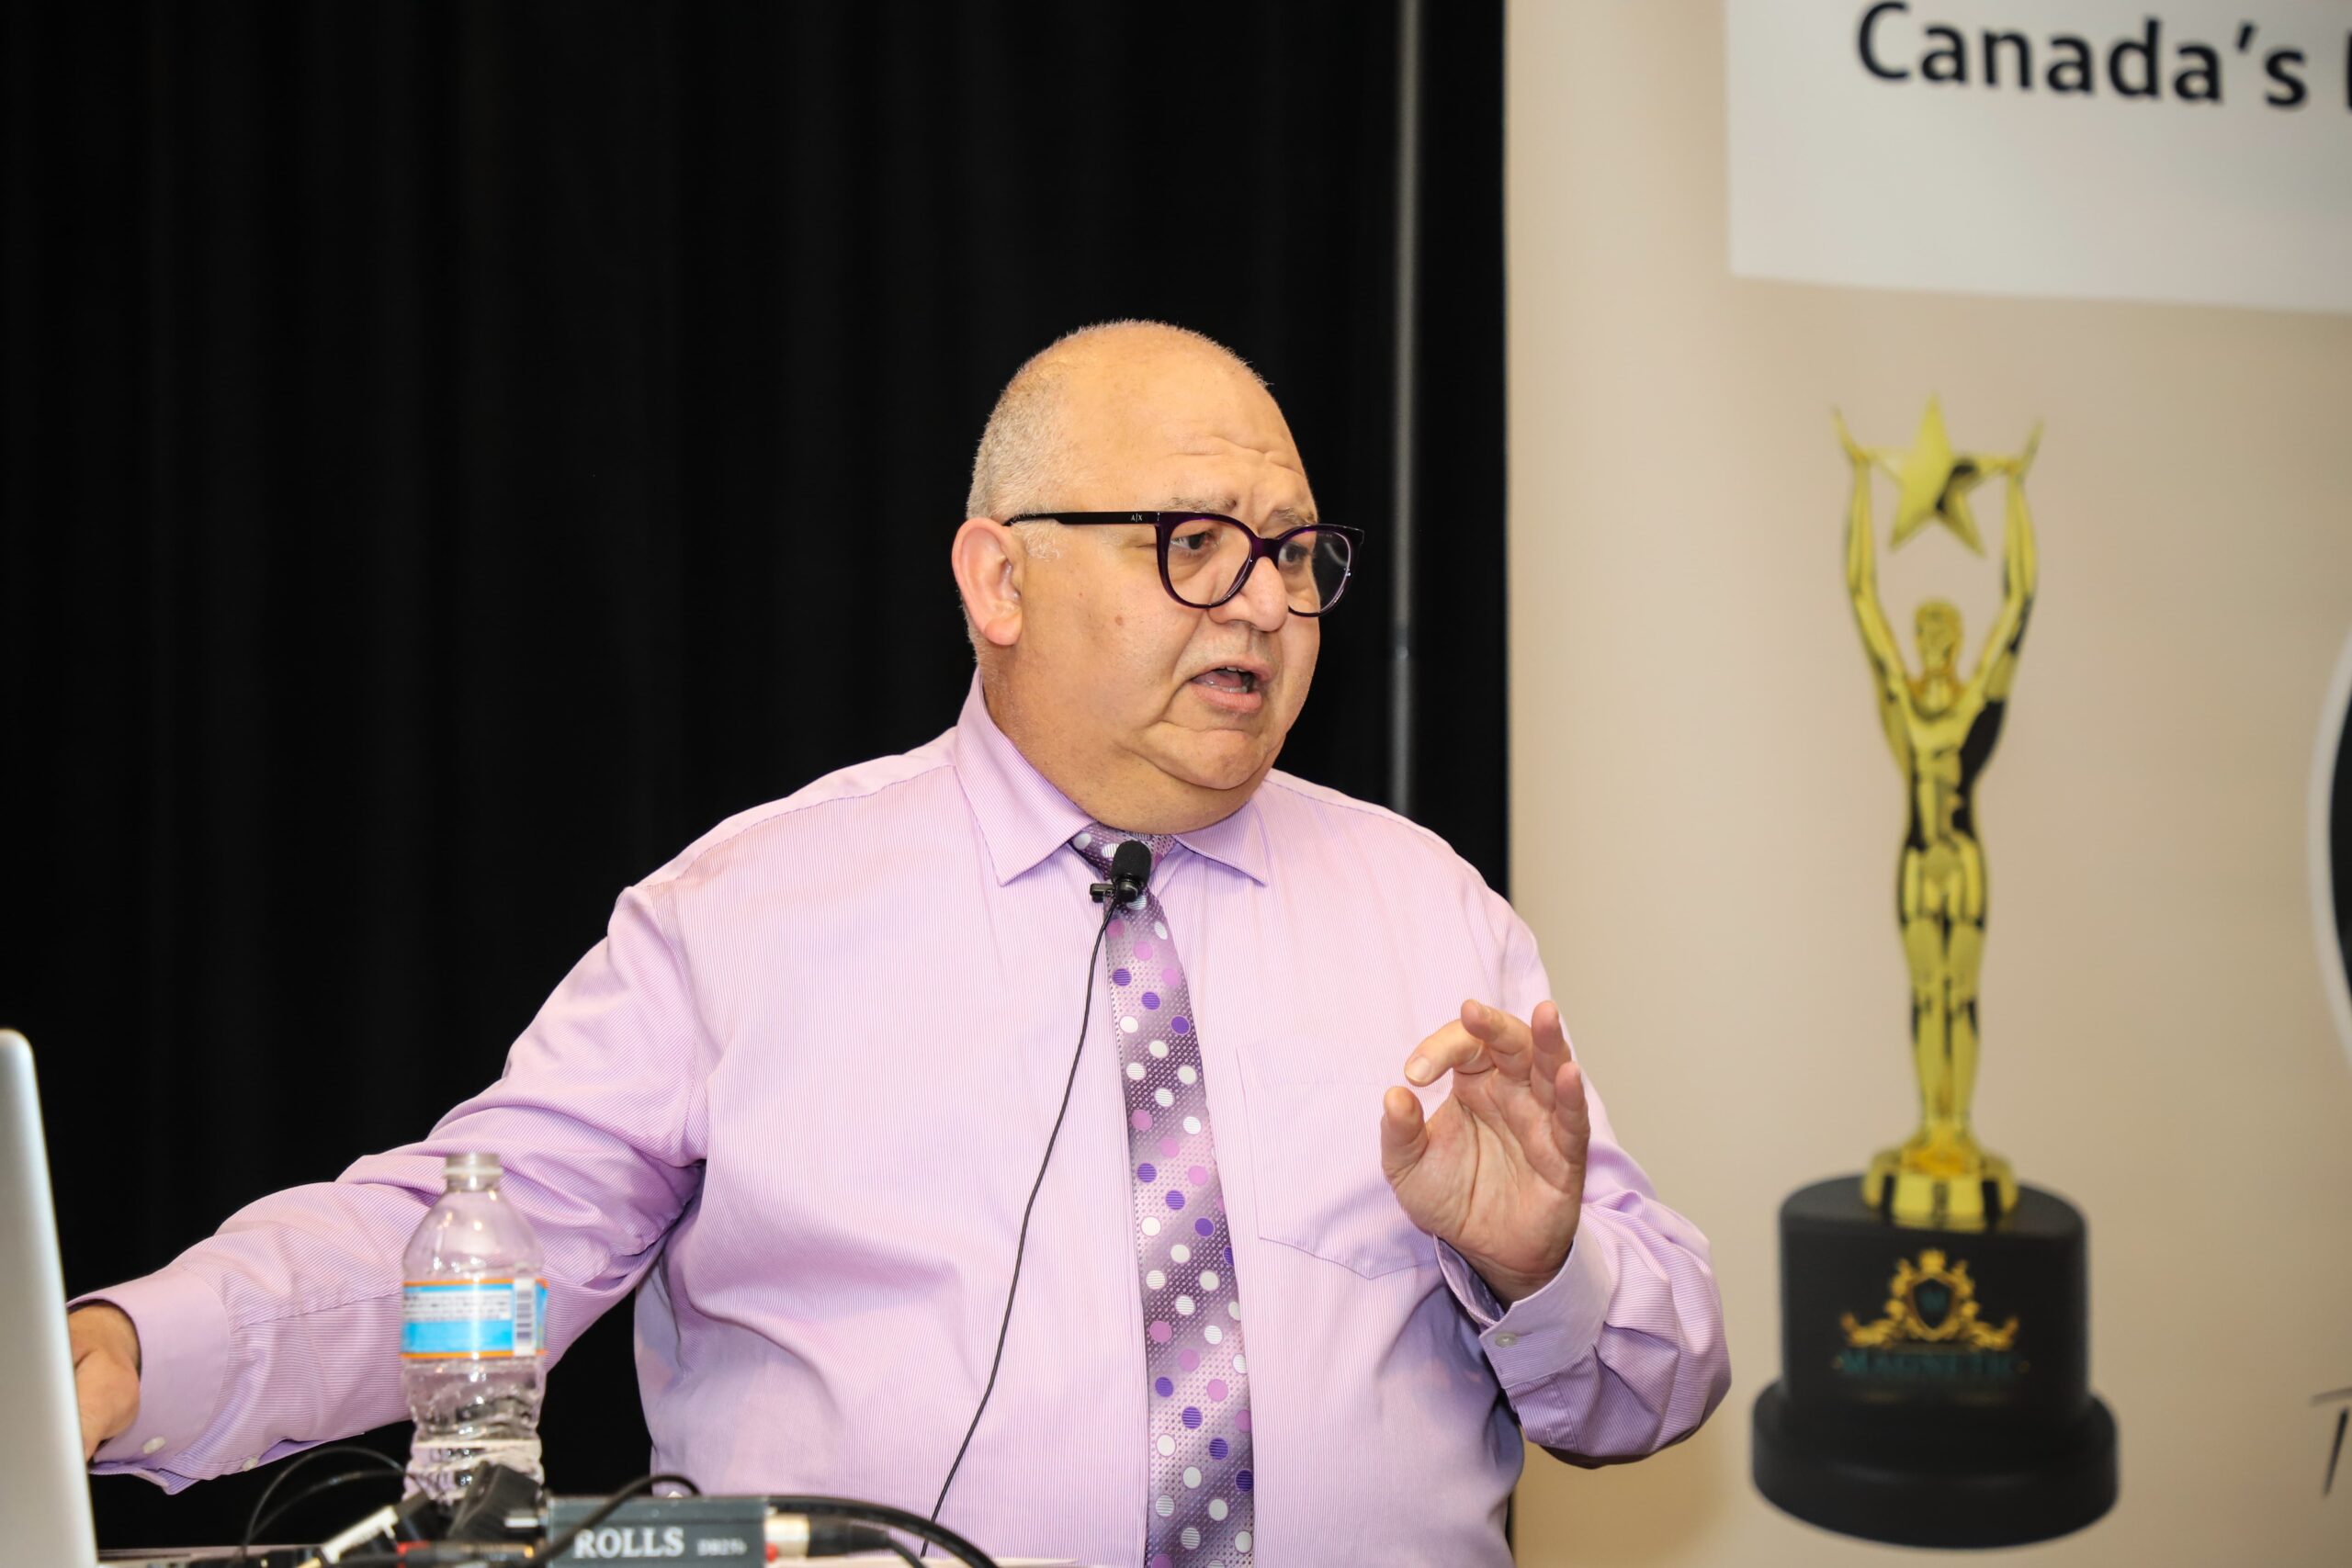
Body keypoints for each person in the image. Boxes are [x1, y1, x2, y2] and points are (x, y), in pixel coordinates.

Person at [70, 321, 1728, 1565]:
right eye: (1193, 542)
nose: (1260, 603)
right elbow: (468, 1238)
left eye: (1294, 554)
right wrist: (127, 1355)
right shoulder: (749, 914)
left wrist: (1541, 1267)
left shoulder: (1428, 911)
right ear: (999, 580)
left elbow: (1658, 1384)